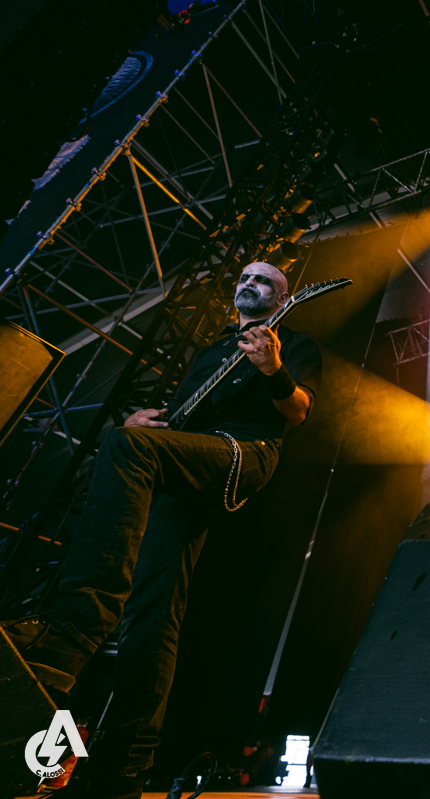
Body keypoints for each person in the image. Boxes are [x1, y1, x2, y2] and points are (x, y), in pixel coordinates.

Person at [1, 262, 322, 798]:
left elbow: (299, 411)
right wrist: (149, 424)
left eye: (264, 281)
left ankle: (78, 618)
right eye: (245, 277)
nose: (251, 283)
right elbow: (183, 416)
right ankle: (124, 767)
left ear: (283, 297)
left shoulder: (292, 343)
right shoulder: (211, 351)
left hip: (243, 451)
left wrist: (273, 367)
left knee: (125, 448)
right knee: (154, 609)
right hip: (185, 461)